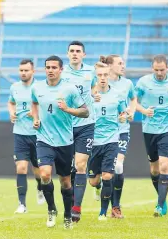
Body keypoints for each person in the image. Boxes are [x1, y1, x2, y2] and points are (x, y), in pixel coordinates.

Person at [31, 55, 89, 229]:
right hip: (44, 139)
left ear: (61, 70)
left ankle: (67, 215)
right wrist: (35, 118)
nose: (50, 70)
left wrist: (68, 109)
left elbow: (85, 112)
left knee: (65, 182)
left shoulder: (69, 89)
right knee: (45, 174)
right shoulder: (37, 87)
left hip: (65, 142)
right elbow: (34, 103)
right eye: (47, 67)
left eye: (54, 67)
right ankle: (51, 209)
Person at [135, 54, 168, 217]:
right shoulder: (144, 82)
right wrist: (143, 110)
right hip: (149, 130)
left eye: (162, 70)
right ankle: (161, 198)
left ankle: (159, 205)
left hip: (167, 130)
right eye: (156, 70)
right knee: (154, 169)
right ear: (152, 68)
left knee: (164, 166)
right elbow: (134, 101)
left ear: (167, 68)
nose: (159, 73)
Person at [93, 55, 137, 219]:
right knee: (96, 179)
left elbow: (133, 99)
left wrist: (130, 112)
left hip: (120, 131)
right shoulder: (98, 83)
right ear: (109, 66)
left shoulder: (127, 84)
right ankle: (98, 188)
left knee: (118, 167)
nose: (123, 66)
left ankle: (115, 207)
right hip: (98, 135)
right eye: (120, 63)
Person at [88, 60, 127, 221]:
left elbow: (123, 113)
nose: (103, 78)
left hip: (111, 140)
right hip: (93, 142)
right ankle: (97, 188)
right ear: (95, 77)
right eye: (99, 75)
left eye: (105, 75)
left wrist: (124, 117)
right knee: (93, 181)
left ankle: (103, 212)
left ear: (109, 75)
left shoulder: (117, 95)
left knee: (107, 176)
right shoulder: (89, 96)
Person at [62, 41, 95, 222]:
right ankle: (72, 197)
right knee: (68, 167)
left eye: (78, 51)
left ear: (84, 54)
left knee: (81, 165)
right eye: (72, 51)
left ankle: (76, 208)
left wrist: (96, 93)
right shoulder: (62, 73)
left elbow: (98, 87)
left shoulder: (91, 72)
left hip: (86, 123)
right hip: (65, 125)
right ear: (67, 54)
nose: (75, 54)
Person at [8, 59, 45, 214]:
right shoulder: (14, 87)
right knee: (21, 168)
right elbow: (11, 103)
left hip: (37, 135)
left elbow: (46, 107)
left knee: (39, 171)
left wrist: (36, 113)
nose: (23, 73)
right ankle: (22, 204)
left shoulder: (40, 88)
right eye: (21, 70)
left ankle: (40, 187)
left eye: (26, 70)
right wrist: (11, 113)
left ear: (33, 71)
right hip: (20, 134)